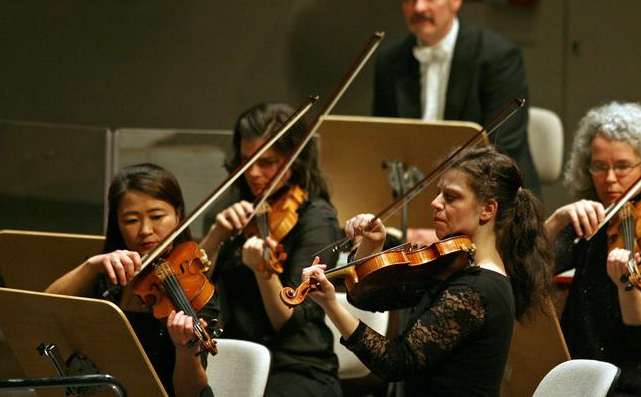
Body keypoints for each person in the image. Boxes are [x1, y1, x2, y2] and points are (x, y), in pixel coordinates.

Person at [301, 145, 553, 396]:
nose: (435, 203)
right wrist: (371, 244)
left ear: (488, 209)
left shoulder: (477, 290)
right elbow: (367, 296)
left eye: (450, 197)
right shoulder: (455, 266)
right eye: (438, 193)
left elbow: (396, 363)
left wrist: (331, 305)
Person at [543, 102, 641, 396]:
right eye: (599, 166)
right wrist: (557, 219)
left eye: (622, 166)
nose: (609, 179)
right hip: (579, 375)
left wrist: (626, 286)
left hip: (635, 385)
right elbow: (527, 267)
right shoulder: (591, 223)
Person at [200, 103, 341, 396]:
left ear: (295, 160)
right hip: (235, 355)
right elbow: (193, 288)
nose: (254, 173)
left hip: (295, 365)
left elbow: (286, 320)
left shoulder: (316, 219)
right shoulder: (237, 207)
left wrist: (263, 271)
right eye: (247, 160)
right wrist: (215, 236)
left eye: (268, 162)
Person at [46, 163, 217, 397]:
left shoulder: (197, 293)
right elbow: (45, 310)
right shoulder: (106, 276)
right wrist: (91, 266)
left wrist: (186, 352)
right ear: (117, 223)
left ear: (178, 215)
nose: (146, 229)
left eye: (157, 216)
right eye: (131, 220)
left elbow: (191, 394)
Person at [373, 0, 540, 195]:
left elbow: (502, 152)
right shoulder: (389, 60)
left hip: (489, 198)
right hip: (412, 198)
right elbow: (384, 143)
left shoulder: (499, 56)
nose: (419, 7)